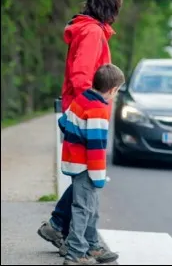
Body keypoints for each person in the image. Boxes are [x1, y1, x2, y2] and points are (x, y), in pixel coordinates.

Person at [37, 0, 123, 259]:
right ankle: (79, 244)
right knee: (86, 180)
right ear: (110, 7)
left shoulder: (89, 30)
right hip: (85, 114)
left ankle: (61, 228)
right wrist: (95, 106)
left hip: (79, 110)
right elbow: (82, 77)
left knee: (83, 179)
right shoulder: (92, 33)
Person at [59, 64, 125, 265]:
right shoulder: (98, 110)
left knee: (91, 207)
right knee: (82, 208)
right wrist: (98, 177)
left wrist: (76, 135)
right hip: (86, 167)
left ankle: (92, 246)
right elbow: (96, 147)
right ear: (113, 90)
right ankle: (76, 253)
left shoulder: (82, 98)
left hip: (73, 160)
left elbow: (63, 121)